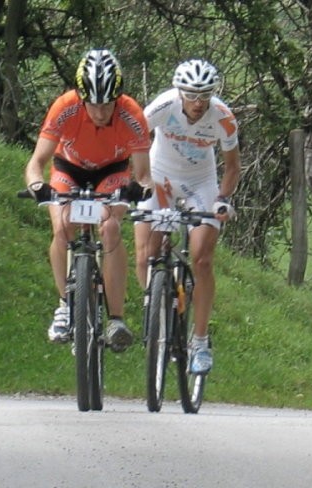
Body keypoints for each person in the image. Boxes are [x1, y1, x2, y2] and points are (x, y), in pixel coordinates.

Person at [24, 48, 152, 352]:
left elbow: (144, 174)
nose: (99, 112)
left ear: (117, 98)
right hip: (69, 169)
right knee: (62, 226)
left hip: (113, 172)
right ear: (81, 97)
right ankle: (64, 304)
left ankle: (116, 318)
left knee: (109, 228)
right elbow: (36, 162)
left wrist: (138, 189)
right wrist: (37, 185)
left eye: (107, 104)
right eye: (93, 104)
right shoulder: (65, 107)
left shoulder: (131, 114)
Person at [135, 59, 241, 373]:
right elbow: (133, 142)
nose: (197, 103)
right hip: (160, 178)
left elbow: (233, 167)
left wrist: (222, 199)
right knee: (145, 255)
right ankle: (153, 308)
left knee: (202, 259)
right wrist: (138, 181)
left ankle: (200, 340)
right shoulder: (163, 106)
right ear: (179, 92)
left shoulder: (223, 117)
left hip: (201, 183)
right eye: (191, 95)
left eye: (204, 96)